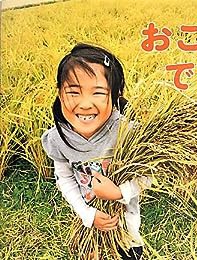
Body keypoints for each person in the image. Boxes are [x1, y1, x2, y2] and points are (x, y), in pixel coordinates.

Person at [41, 43, 150, 259]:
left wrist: (119, 193)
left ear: (115, 95)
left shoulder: (127, 132)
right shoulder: (58, 138)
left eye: (98, 92)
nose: (84, 104)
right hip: (90, 223)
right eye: (73, 92)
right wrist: (88, 215)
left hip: (125, 224)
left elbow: (147, 176)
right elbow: (64, 178)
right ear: (60, 94)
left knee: (129, 254)